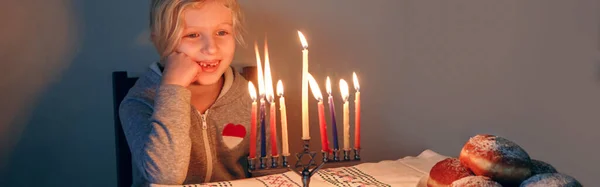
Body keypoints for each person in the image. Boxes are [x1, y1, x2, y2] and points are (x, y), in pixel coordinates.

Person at [119, 0, 255, 186]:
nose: (211, 48)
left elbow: (272, 169)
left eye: (221, 32)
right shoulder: (139, 101)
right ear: (159, 41)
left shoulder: (248, 96)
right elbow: (166, 177)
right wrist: (173, 88)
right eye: (192, 35)